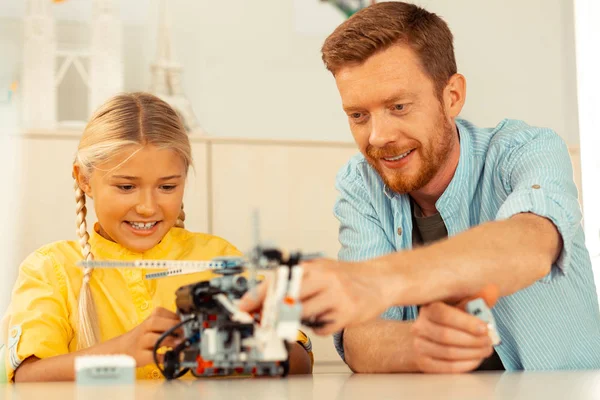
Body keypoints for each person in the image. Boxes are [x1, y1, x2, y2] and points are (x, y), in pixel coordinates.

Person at [240, 1, 600, 373]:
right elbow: (361, 339)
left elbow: (530, 244)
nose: (378, 138)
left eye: (398, 106)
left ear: (452, 96)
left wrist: (369, 282)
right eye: (358, 115)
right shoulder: (360, 184)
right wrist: (416, 344)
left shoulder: (527, 149)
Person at [2, 92, 313, 382]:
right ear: (84, 179)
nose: (148, 208)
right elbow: (27, 377)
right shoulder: (50, 269)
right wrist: (122, 353)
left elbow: (301, 362)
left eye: (167, 187)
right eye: (126, 187)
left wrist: (243, 348)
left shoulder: (219, 259)